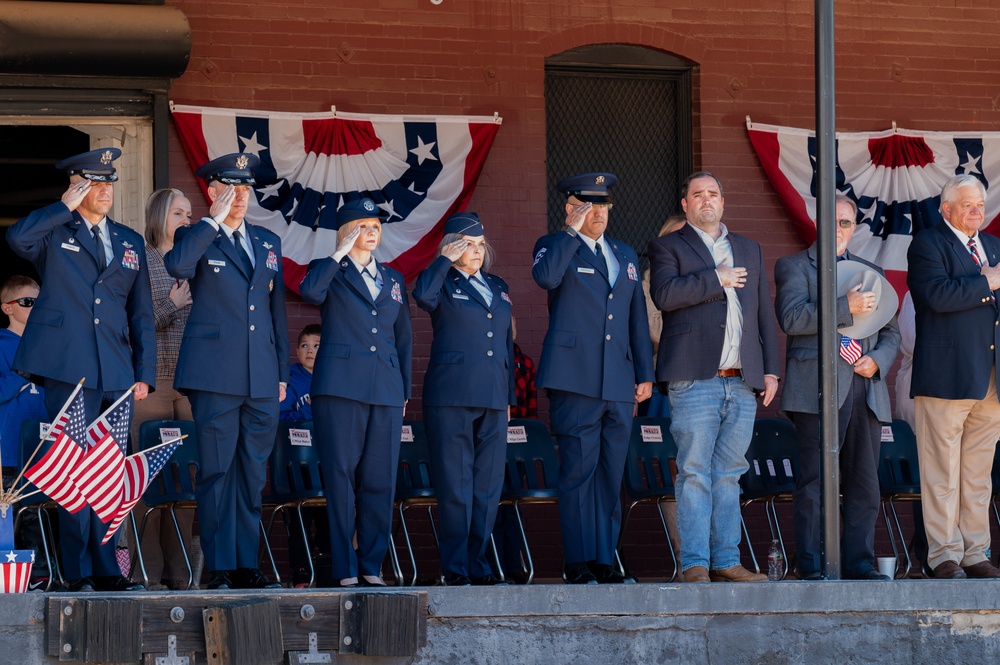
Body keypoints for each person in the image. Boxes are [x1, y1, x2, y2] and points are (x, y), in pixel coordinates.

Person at [7, 148, 155, 592]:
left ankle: (108, 567)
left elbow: (142, 312)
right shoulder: (55, 230)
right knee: (74, 471)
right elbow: (17, 237)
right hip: (66, 365)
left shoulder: (129, 240)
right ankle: (78, 570)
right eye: (94, 183)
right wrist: (64, 206)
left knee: (108, 473)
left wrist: (143, 372)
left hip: (115, 370)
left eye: (109, 182)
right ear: (75, 186)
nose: (105, 190)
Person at [164, 152, 288, 590]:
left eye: (246, 188)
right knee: (217, 472)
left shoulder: (267, 241)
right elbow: (176, 267)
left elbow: (276, 312)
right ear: (213, 193)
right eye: (231, 189)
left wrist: (282, 373)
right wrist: (211, 224)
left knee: (252, 474)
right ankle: (219, 566)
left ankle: (245, 564)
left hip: (260, 376)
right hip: (214, 375)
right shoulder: (196, 235)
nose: (241, 196)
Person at [647, 171, 779, 584]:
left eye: (714, 194)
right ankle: (695, 564)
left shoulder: (748, 248)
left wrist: (770, 369)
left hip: (741, 379)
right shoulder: (668, 246)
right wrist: (715, 279)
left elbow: (762, 313)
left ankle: (726, 559)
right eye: (697, 194)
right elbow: (665, 296)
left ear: (723, 202)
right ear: (685, 205)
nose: (707, 200)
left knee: (729, 474)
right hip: (693, 378)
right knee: (694, 473)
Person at [531, 172, 654, 585]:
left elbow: (637, 318)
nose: (598, 213)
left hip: (618, 382)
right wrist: (570, 231)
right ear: (571, 208)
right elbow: (546, 278)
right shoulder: (554, 245)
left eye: (603, 206)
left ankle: (604, 558)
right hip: (575, 379)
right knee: (578, 472)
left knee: (609, 473)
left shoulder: (624, 253)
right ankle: (578, 561)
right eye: (588, 205)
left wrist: (644, 374)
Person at [774, 194, 900, 581]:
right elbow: (792, 319)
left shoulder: (870, 270)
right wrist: (845, 306)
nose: (840, 230)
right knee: (814, 481)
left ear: (855, 228)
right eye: (833, 222)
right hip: (816, 386)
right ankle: (811, 563)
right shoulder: (795, 266)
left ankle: (858, 562)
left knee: (864, 481)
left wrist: (878, 359)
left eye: (846, 223)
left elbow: (891, 332)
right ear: (818, 222)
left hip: (866, 387)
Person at [300, 197, 412, 588]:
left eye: (376, 226)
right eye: (362, 226)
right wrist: (339, 254)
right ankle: (345, 568)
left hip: (385, 389)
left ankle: (372, 565)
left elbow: (404, 340)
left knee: (380, 480)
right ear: (347, 232)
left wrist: (404, 391)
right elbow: (311, 293)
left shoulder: (394, 279)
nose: (371, 232)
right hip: (340, 388)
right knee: (341, 478)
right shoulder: (328, 270)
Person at [906, 173, 1000, 579]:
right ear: (947, 209)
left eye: (980, 205)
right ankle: (943, 553)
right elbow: (937, 297)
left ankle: (975, 553)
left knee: (977, 476)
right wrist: (987, 281)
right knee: (941, 472)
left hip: (990, 379)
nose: (976, 212)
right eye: (967, 205)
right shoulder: (928, 244)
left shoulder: (993, 246)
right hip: (946, 377)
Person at [413, 212, 515, 586]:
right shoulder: (441, 282)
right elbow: (421, 295)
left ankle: (478, 561)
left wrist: (508, 396)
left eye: (479, 244)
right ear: (452, 247)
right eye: (467, 245)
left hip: (492, 397)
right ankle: (455, 567)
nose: (476, 251)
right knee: (456, 485)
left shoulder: (497, 285)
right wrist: (443, 259)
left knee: (487, 486)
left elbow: (505, 343)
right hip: (452, 395)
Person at [127, 188, 197, 590]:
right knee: (147, 481)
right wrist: (170, 304)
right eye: (178, 213)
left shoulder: (195, 263)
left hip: (189, 388)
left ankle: (182, 574)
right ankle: (147, 575)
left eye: (190, 214)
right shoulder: (141, 259)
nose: (186, 220)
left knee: (186, 481)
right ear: (159, 215)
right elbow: (132, 326)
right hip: (151, 385)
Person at [0, 276, 51, 590]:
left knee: (38, 515)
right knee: (11, 517)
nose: (35, 307)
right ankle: (10, 579)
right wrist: (24, 368)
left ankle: (41, 575)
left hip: (43, 448)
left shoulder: (48, 345)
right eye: (27, 302)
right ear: (7, 307)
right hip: (9, 448)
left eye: (39, 302)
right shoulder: (3, 343)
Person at [278, 324, 329, 587]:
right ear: (296, 351)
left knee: (328, 516)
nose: (310, 350)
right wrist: (310, 414)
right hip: (295, 462)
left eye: (317, 345)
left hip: (326, 462)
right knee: (301, 516)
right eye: (305, 345)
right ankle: (301, 572)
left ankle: (328, 570)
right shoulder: (288, 378)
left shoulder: (332, 375)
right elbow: (281, 418)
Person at [641, 214, 686, 418]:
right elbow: (656, 331)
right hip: (666, 379)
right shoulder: (649, 282)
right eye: (677, 237)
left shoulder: (709, 278)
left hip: (709, 378)